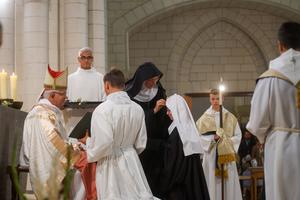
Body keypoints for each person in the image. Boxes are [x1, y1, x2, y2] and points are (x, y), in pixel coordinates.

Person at [80, 69, 154, 199]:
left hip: (111, 164)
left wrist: (88, 142)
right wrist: (129, 151)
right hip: (132, 161)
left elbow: (104, 144)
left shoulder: (102, 110)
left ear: (107, 85)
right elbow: (141, 143)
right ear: (124, 85)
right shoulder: (137, 108)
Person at [246, 21, 300, 200]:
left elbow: (257, 122)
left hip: (280, 149)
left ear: (280, 44)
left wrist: (262, 139)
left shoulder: (269, 79)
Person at [19, 66, 81, 197]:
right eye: (63, 94)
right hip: (48, 174)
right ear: (52, 95)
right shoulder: (43, 115)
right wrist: (76, 152)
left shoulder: (43, 112)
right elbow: (54, 143)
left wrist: (75, 144)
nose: (66, 97)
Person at [125, 62, 171, 198]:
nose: (154, 83)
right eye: (151, 80)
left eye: (156, 79)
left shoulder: (160, 91)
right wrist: (154, 111)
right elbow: (131, 117)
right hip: (139, 145)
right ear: (142, 79)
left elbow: (164, 118)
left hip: (157, 144)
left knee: (156, 182)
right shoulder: (129, 94)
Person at [160, 94, 210, 200]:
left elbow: (173, 164)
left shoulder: (177, 133)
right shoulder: (189, 129)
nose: (167, 113)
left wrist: (163, 184)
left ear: (177, 110)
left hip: (180, 187)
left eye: (170, 110)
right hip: (193, 183)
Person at [196, 89, 242, 200]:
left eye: (218, 99)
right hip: (211, 158)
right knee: (211, 184)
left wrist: (225, 140)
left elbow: (238, 136)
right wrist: (213, 139)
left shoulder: (230, 117)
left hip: (227, 157)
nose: (215, 101)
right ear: (209, 99)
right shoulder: (203, 119)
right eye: (213, 99)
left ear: (223, 99)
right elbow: (198, 138)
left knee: (228, 185)